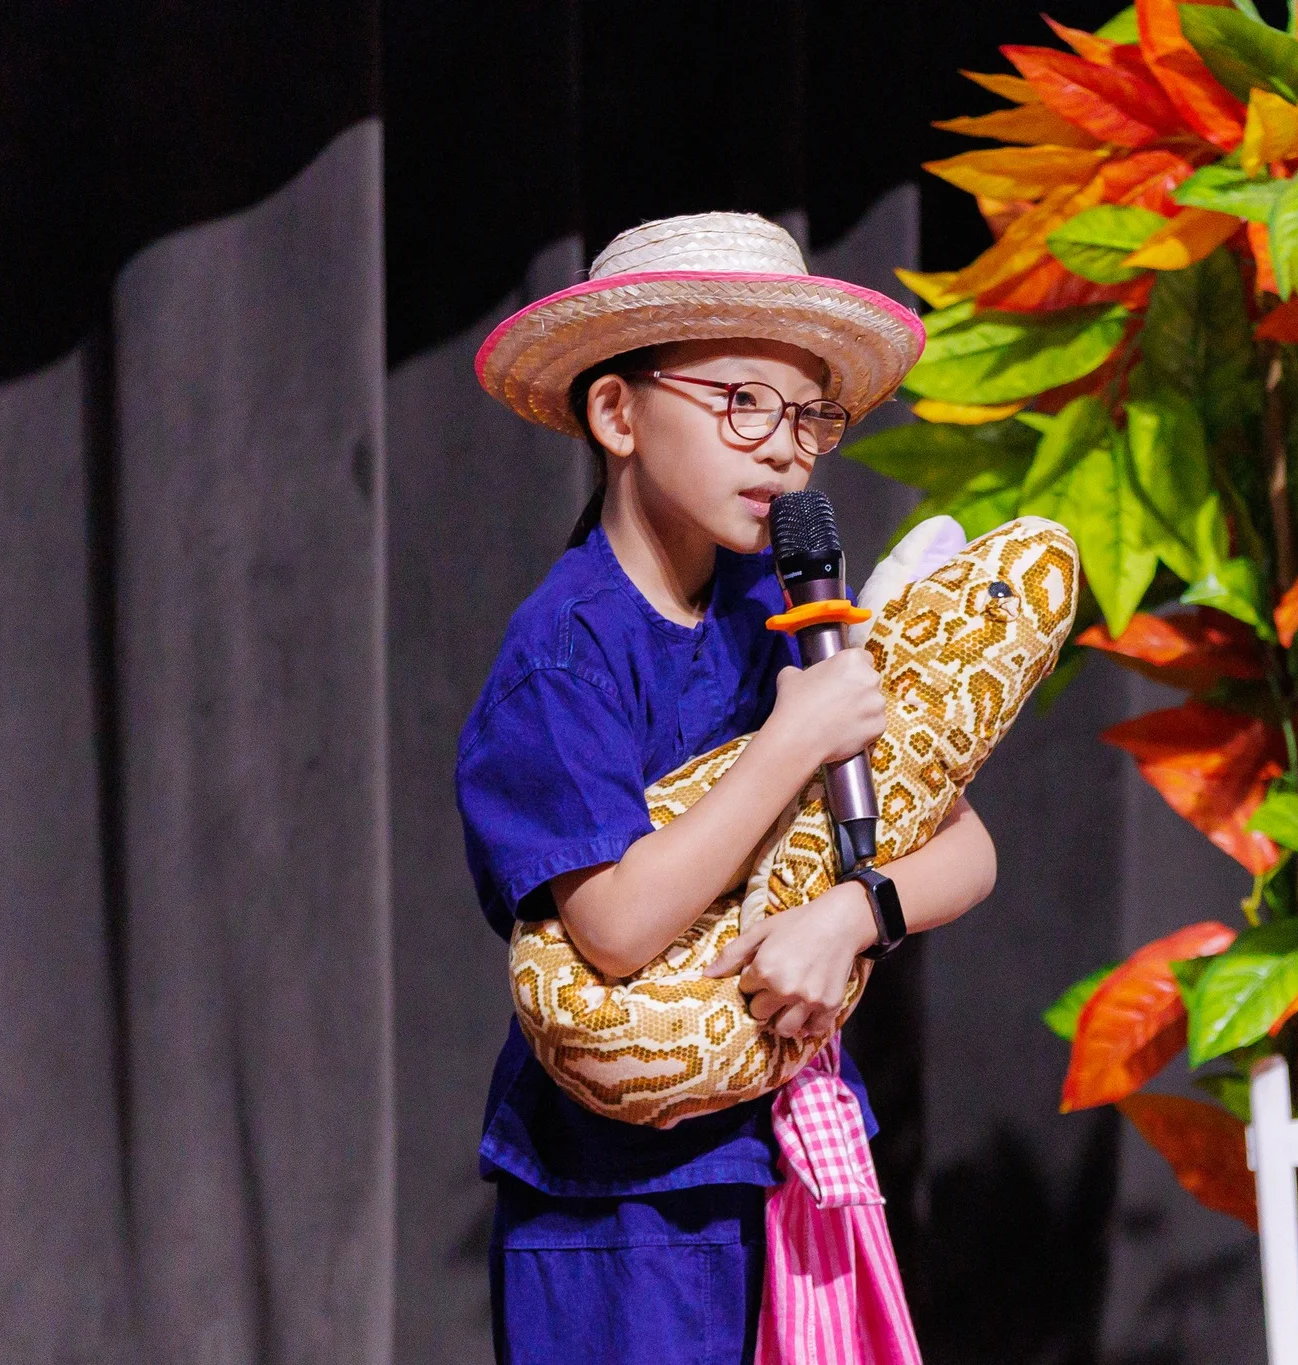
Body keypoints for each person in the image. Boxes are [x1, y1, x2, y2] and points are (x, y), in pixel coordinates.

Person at [459, 211, 999, 1363]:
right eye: (741, 401)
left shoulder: (784, 606)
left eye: (806, 415)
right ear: (617, 414)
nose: (784, 449)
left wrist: (852, 913)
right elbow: (613, 925)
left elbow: (966, 850)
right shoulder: (565, 656)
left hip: (783, 1159)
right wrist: (788, 743)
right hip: (616, 1209)